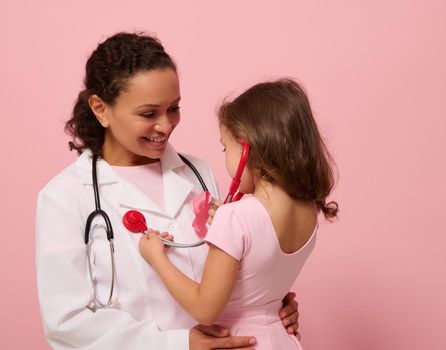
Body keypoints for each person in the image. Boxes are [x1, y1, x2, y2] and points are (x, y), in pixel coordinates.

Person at [35, 32, 300, 350]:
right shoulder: (64, 197)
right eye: (148, 114)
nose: (166, 125)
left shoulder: (199, 173)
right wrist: (177, 343)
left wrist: (271, 306)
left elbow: (234, 264)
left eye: (173, 108)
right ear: (100, 109)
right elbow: (67, 325)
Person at [139, 79, 339, 349]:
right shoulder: (308, 210)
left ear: (247, 149)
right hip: (282, 340)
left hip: (238, 341)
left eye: (225, 146)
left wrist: (156, 258)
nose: (225, 156)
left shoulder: (235, 217)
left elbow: (205, 309)